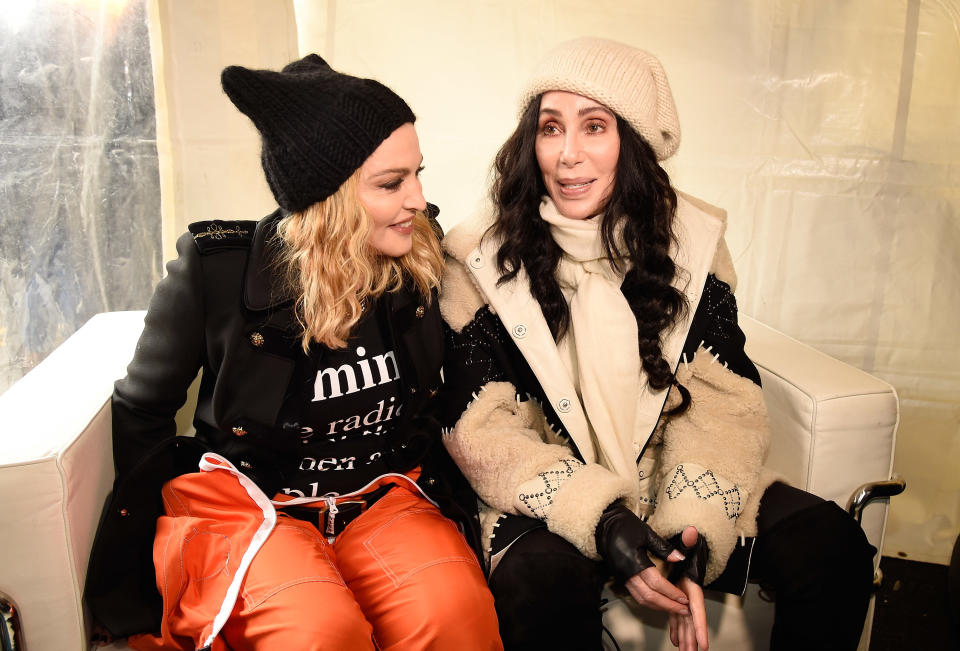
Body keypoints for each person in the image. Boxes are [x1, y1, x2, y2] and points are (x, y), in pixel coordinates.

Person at [437, 37, 876, 651]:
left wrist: (690, 533)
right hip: (555, 497)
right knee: (541, 583)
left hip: (670, 476)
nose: (567, 155)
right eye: (550, 128)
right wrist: (605, 519)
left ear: (632, 145)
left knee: (832, 547)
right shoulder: (477, 259)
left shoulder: (691, 243)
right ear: (528, 140)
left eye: (595, 127)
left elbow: (722, 401)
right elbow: (483, 431)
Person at [85, 54, 501, 651]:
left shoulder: (418, 259)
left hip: (381, 496)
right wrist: (149, 543)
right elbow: (143, 409)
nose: (418, 199)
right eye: (391, 183)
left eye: (417, 174)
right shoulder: (219, 270)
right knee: (318, 633)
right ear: (325, 196)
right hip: (258, 505)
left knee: (455, 617)